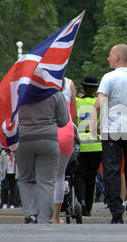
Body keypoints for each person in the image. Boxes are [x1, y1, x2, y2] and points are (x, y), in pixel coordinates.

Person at [90, 44, 127, 224]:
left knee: (112, 171)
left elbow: (99, 105)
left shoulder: (109, 78)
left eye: (110, 55)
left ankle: (116, 213)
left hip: (112, 131)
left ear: (117, 57)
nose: (108, 59)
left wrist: (93, 128)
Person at [16, 87, 69, 224]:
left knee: (26, 178)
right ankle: (44, 219)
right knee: (46, 182)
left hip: (23, 139)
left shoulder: (17, 91)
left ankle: (30, 214)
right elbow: (64, 120)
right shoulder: (55, 93)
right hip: (48, 140)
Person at [73, 75, 102, 217]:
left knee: (79, 175)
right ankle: (89, 207)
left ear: (84, 88)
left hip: (81, 146)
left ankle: (81, 200)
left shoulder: (77, 102)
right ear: (96, 89)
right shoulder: (100, 103)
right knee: (92, 177)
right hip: (97, 146)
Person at [51, 77, 76, 224]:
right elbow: (73, 113)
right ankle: (55, 217)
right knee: (59, 176)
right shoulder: (69, 83)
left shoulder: (38, 80)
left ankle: (40, 214)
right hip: (65, 131)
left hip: (44, 129)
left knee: (41, 176)